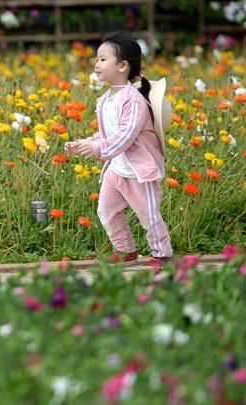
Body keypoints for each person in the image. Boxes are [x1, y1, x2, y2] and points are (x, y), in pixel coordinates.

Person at [64, 32, 173, 266]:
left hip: (138, 172)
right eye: (97, 59)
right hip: (116, 169)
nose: (97, 64)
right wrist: (84, 143)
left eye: (103, 59)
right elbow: (107, 135)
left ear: (123, 66)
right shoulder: (104, 100)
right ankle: (125, 250)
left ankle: (162, 253)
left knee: (149, 216)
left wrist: (96, 148)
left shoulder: (133, 100)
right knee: (107, 210)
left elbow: (124, 136)